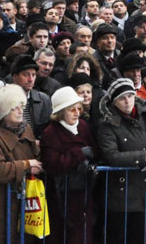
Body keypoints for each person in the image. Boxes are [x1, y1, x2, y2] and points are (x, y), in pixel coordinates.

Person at [94, 77, 146, 244]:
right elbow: (111, 155)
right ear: (114, 101)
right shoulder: (107, 123)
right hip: (120, 195)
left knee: (142, 235)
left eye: (130, 96)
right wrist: (144, 157)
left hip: (145, 190)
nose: (127, 101)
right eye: (122, 98)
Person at [0, 84, 42, 244]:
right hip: (2, 199)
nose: (20, 111)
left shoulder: (26, 129)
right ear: (3, 112)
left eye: (21, 106)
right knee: (2, 235)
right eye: (14, 108)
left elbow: (36, 156)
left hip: (26, 197)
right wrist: (26, 165)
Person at [39, 86, 97, 244]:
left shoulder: (83, 126)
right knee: (63, 235)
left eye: (79, 109)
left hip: (84, 191)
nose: (77, 113)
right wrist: (79, 154)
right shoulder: (50, 132)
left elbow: (94, 151)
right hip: (61, 193)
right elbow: (52, 163)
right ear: (61, 112)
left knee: (83, 234)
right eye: (72, 109)